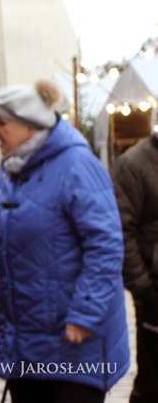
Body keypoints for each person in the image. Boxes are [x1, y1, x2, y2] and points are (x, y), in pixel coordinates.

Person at [0, 80, 130, 403]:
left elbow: (105, 246)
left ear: (28, 125)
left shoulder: (78, 166)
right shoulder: (12, 171)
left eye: (1, 122)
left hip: (76, 340)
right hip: (26, 340)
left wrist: (85, 314)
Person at [111, 129, 158, 403]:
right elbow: (120, 231)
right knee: (152, 386)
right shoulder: (134, 163)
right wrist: (145, 290)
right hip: (155, 295)